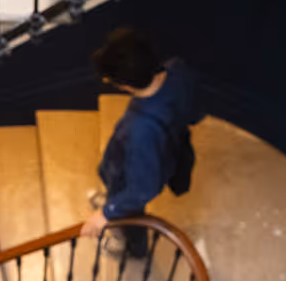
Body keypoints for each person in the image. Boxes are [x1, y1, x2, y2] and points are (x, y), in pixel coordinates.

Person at [81, 28, 203, 258]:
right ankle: (113, 199)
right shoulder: (177, 68)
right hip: (167, 147)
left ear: (126, 85)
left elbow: (141, 189)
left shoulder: (141, 131)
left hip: (126, 174)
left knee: (131, 214)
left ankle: (135, 249)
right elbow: (195, 110)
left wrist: (107, 213)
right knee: (119, 195)